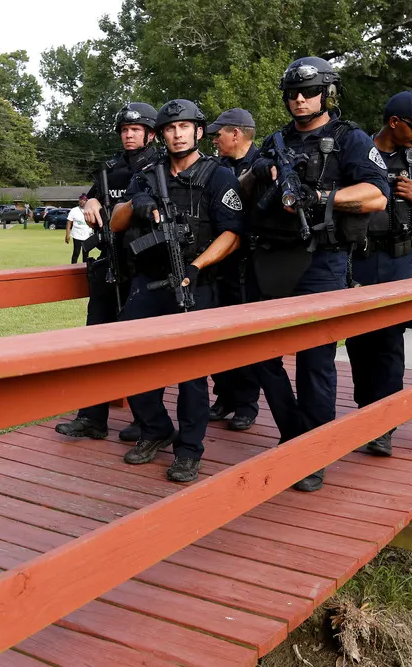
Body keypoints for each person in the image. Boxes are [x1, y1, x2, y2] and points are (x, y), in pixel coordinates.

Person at [245, 57, 389, 492]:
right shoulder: (275, 141)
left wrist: (320, 196)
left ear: (327, 93)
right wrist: (259, 174)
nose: (300, 100)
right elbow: (247, 193)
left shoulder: (350, 139)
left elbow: (377, 195)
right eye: (292, 93)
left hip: (322, 260)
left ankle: (314, 454)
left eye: (308, 92)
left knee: (315, 360)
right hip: (273, 259)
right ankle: (294, 433)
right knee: (258, 351)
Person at [109, 99, 245, 483]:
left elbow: (232, 234)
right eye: (170, 128)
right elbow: (117, 222)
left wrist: (197, 266)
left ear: (199, 132)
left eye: (185, 127)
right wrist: (139, 202)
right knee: (127, 355)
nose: (177, 134)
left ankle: (188, 449)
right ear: (162, 134)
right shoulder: (147, 174)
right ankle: (154, 428)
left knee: (191, 373)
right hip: (149, 281)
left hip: (193, 281)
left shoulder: (218, 176)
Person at [345, 92, 412, 456]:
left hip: (399, 263)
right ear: (394, 122)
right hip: (357, 259)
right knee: (357, 340)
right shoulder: (356, 154)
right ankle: (365, 414)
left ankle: (383, 426)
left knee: (389, 343)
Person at [55, 102, 159, 443]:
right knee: (95, 340)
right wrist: (90, 202)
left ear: (150, 133)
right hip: (109, 261)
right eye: (124, 130)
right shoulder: (110, 167)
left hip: (144, 266)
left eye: (135, 130)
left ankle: (148, 422)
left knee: (140, 349)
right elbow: (93, 199)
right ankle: (92, 417)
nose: (128, 135)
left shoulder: (160, 166)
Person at [205, 108, 263, 431]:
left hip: (253, 265)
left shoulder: (266, 163)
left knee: (246, 336)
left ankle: (246, 404)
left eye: (219, 134)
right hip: (222, 262)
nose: (215, 139)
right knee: (218, 334)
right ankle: (225, 395)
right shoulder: (217, 168)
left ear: (236, 134)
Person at [65, 194, 93, 263]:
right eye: (80, 200)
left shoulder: (90, 210)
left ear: (86, 201)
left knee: (86, 254)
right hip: (77, 235)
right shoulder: (74, 210)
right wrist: (67, 235)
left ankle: (85, 270)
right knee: (76, 253)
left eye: (83, 200)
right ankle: (73, 268)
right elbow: (69, 223)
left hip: (87, 235)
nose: (81, 201)